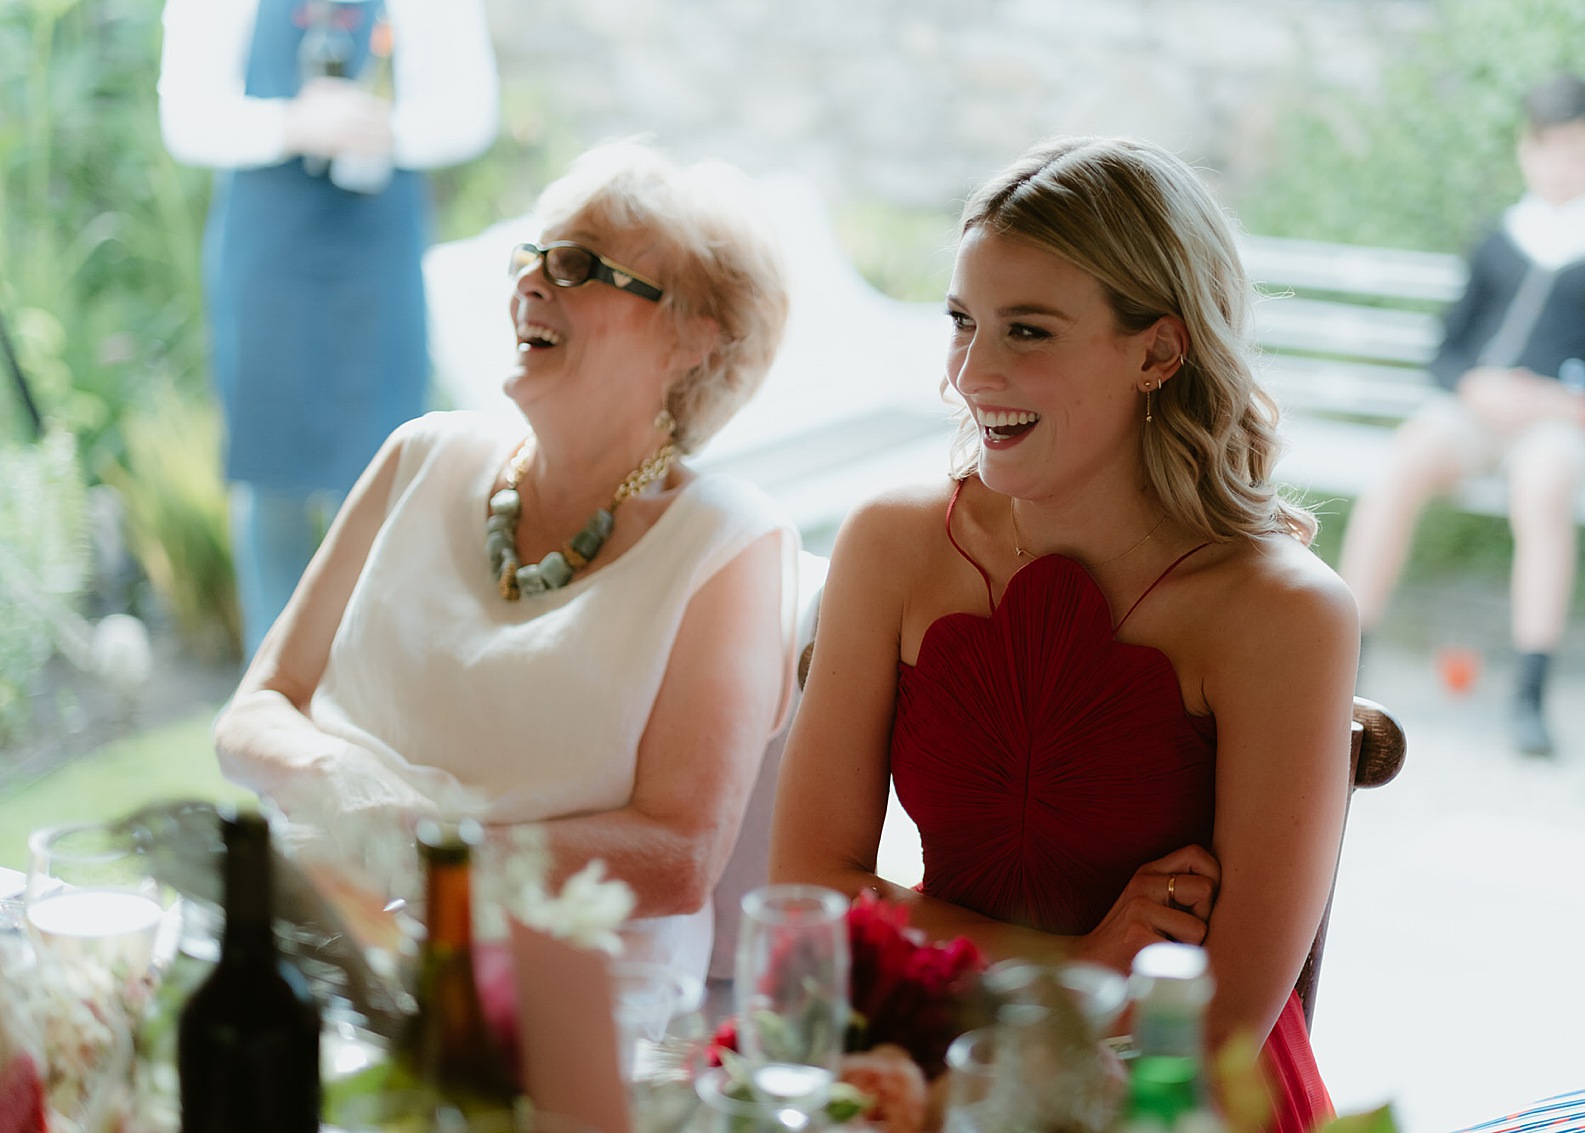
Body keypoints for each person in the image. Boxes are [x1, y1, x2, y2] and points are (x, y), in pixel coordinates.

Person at [770, 136, 1357, 1129]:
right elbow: (807, 903)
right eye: (961, 322)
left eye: (1027, 331)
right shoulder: (892, 541)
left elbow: (1213, 1030)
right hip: (931, 1064)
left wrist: (935, 939)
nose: (970, 371)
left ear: (1157, 351)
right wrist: (1076, 961)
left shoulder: (1283, 612)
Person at [214, 140, 797, 984]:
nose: (530, 282)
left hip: (558, 994)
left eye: (574, 264)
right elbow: (253, 712)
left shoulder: (728, 542)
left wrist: (435, 853)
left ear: (691, 340)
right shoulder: (422, 455)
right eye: (531, 256)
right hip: (315, 938)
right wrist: (341, 780)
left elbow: (680, 856)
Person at [158, 0, 501, 660]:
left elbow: (471, 111)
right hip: (268, 250)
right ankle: (272, 695)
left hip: (379, 243)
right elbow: (186, 118)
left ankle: (389, 694)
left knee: (388, 468)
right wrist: (292, 124)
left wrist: (385, 128)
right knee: (268, 472)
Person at [1337, 74, 1585, 756]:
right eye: (1547, 149)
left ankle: (1530, 694)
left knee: (1539, 489)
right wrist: (1476, 384)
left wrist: (1572, 403)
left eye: (1576, 151)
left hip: (1560, 423)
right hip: (1476, 413)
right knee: (1401, 465)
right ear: (1526, 149)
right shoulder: (1502, 237)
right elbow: (1446, 352)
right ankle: (1344, 666)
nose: (1560, 166)